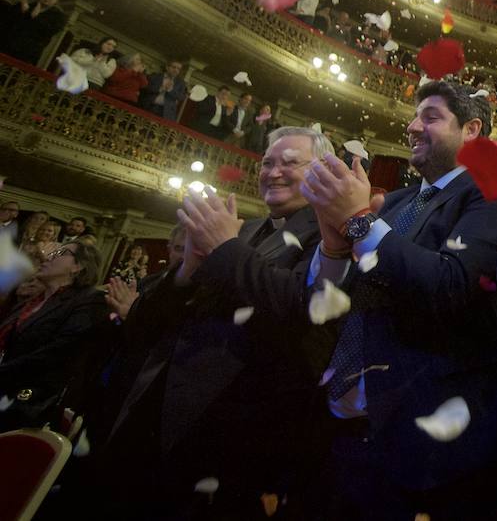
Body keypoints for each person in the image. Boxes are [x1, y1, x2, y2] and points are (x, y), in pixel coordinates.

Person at [215, 82, 497, 519]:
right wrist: (331, 247)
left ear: (472, 129)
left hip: (426, 453)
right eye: (414, 115)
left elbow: (453, 285)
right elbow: (330, 305)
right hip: (338, 434)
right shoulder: (397, 202)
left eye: (431, 116)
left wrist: (360, 222)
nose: (413, 125)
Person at [92, 127, 332, 520]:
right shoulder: (244, 228)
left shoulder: (329, 236)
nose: (274, 172)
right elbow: (153, 324)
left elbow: (300, 309)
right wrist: (187, 269)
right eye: (267, 163)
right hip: (154, 410)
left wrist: (224, 249)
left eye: (290, 163)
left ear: (320, 169)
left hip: (230, 436)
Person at [0, 241, 106, 431]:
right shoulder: (36, 299)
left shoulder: (89, 300)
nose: (49, 256)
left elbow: (55, 354)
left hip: (28, 403)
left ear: (78, 266)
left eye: (60, 252)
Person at [0, 0, 63, 65]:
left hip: (29, 53)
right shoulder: (24, 6)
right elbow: (7, 23)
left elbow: (50, 31)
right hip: (8, 47)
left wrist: (34, 16)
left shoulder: (58, 16)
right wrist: (24, 12)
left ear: (56, 0)